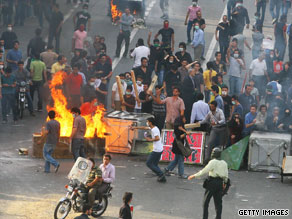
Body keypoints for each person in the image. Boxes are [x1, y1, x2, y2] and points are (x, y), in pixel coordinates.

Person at [188, 148, 228, 219]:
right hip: (220, 184)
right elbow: (226, 176)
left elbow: (204, 171)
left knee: (205, 202)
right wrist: (224, 184)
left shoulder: (213, 162)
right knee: (218, 204)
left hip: (212, 183)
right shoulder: (224, 163)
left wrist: (194, 175)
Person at [132, 117, 167, 182]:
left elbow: (157, 138)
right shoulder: (153, 128)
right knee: (155, 164)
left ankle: (161, 174)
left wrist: (150, 139)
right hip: (159, 149)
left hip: (157, 150)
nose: (147, 123)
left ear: (150, 122)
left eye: (147, 122)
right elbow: (144, 128)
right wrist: (135, 128)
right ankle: (160, 175)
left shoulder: (154, 130)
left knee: (149, 163)